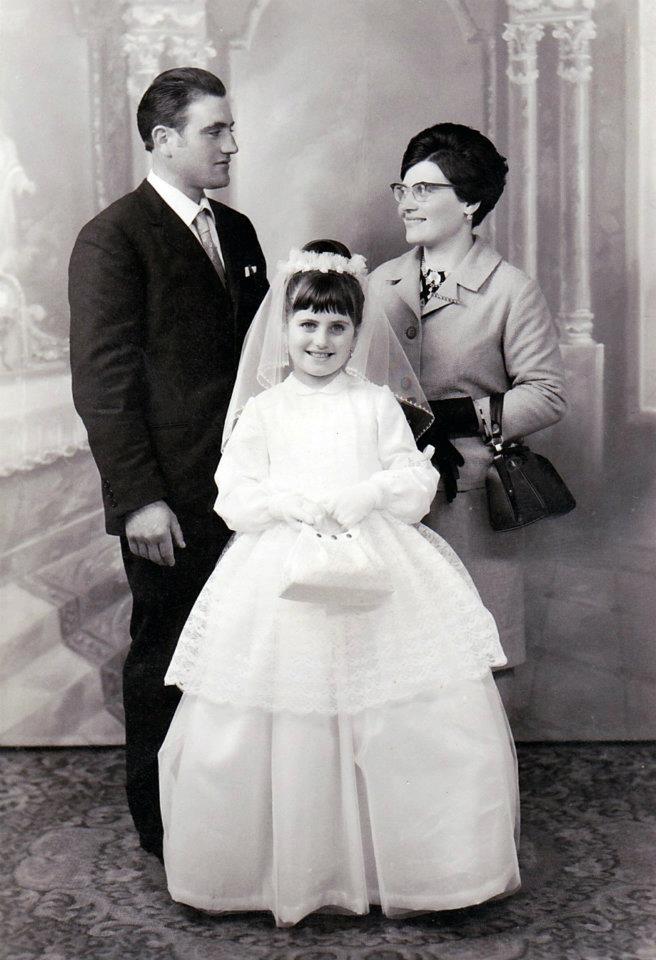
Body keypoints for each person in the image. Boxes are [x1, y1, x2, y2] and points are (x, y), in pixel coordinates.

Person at [158, 240, 520, 927]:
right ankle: (287, 869)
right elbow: (234, 491)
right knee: (282, 713)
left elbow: (414, 479)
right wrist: (287, 505)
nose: (320, 340)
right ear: (284, 328)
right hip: (281, 570)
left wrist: (368, 494)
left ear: (357, 333)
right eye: (307, 324)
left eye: (336, 326)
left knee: (396, 711)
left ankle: (414, 867)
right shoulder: (266, 410)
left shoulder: (376, 403)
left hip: (374, 561)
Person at [68, 67, 268, 860]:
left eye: (230, 128)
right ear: (163, 139)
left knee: (244, 650)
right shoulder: (113, 239)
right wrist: (139, 499)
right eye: (215, 130)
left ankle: (229, 811)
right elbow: (104, 386)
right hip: (170, 499)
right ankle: (163, 828)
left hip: (249, 490)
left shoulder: (239, 233)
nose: (231, 144)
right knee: (168, 652)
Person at [369, 123, 567, 704]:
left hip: (471, 496)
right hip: (390, 490)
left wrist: (461, 416)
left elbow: (548, 393)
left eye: (425, 189)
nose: (408, 203)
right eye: (403, 189)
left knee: (479, 650)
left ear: (470, 203)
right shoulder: (379, 282)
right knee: (396, 650)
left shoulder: (511, 290)